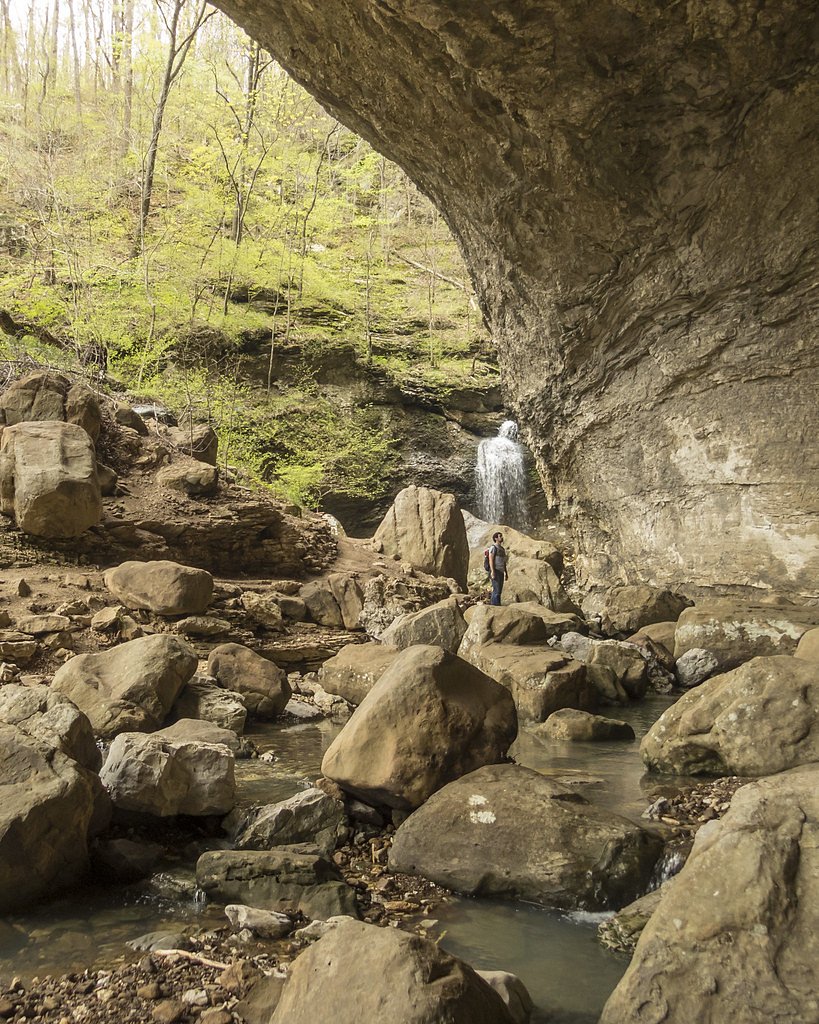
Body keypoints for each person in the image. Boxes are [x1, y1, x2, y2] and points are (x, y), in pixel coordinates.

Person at [488, 531, 508, 606]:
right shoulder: (493, 547)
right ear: (496, 538)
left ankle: (497, 605)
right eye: (500, 536)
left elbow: (504, 561)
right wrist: (492, 571)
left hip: (501, 571)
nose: (502, 537)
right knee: (496, 590)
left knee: (499, 590)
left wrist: (506, 572)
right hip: (495, 570)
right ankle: (494, 606)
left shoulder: (502, 549)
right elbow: (491, 559)